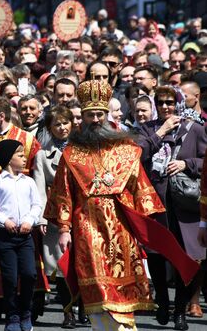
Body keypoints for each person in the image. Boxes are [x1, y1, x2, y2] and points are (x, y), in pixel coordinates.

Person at [44, 79, 199, 331]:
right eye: (90, 115)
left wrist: (149, 225)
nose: (95, 119)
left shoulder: (126, 149)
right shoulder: (71, 153)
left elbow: (141, 187)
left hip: (121, 225)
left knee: (122, 287)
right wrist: (63, 229)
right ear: (81, 117)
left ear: (106, 116)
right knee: (96, 289)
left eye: (99, 114)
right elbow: (63, 193)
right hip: (86, 227)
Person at [136, 86, 207, 329]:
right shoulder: (148, 128)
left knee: (185, 258)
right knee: (156, 255)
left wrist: (186, 163)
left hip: (182, 203)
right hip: (154, 201)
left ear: (178, 103)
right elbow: (138, 153)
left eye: (170, 102)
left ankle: (180, 311)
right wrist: (162, 131)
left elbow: (204, 159)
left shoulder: (194, 128)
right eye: (161, 102)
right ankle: (163, 302)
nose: (165, 106)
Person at [0, 139, 41, 331]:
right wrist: (3, 220)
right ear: (8, 159)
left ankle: (26, 312)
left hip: (25, 236)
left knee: (29, 274)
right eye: (20, 155)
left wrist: (29, 221)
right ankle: (12, 315)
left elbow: (36, 205)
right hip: (5, 236)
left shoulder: (29, 181)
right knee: (9, 277)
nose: (25, 159)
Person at [32, 106, 81, 328]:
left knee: (82, 263)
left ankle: (82, 307)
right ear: (50, 129)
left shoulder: (83, 151)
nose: (62, 128)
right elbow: (40, 188)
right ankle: (67, 311)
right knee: (60, 264)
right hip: (54, 214)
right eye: (57, 124)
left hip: (81, 212)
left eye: (65, 123)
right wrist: (42, 218)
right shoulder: (43, 156)